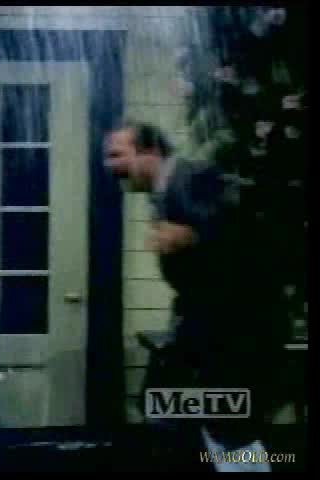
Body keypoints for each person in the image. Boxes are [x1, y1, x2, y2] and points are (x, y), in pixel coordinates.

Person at [104, 121, 287, 472]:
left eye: (117, 155)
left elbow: (256, 227)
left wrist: (194, 235)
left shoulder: (194, 177)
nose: (110, 165)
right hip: (203, 324)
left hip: (238, 329)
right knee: (166, 407)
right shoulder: (163, 191)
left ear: (150, 151)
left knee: (228, 428)